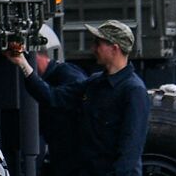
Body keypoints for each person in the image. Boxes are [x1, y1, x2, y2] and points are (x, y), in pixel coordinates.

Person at [13, 20, 149, 176]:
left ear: (114, 48)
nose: (93, 48)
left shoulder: (133, 91)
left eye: (98, 44)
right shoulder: (94, 83)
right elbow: (54, 98)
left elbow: (129, 152)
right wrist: (23, 63)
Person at [20, 24, 87, 176]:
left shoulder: (68, 76)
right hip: (62, 155)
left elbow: (52, 98)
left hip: (73, 158)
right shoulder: (58, 76)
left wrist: (25, 67)